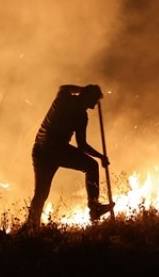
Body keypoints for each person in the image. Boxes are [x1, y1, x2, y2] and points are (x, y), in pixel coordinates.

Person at [25, 84, 114, 227]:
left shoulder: (63, 98)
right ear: (88, 98)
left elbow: (64, 87)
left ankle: (31, 225)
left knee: (41, 192)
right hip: (56, 149)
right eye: (94, 101)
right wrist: (101, 157)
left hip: (40, 149)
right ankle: (94, 209)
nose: (94, 106)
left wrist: (83, 90)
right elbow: (82, 145)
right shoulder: (81, 115)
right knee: (91, 166)